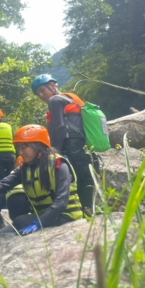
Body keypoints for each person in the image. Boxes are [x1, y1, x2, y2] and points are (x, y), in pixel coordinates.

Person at [0, 125, 83, 234]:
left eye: (24, 147)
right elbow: (3, 184)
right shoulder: (25, 168)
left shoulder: (59, 165)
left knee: (21, 221)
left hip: (66, 218)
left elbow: (61, 203)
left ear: (39, 146)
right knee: (1, 233)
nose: (20, 153)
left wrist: (38, 223)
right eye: (19, 148)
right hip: (44, 218)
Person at [31, 74, 95, 215]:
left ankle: (78, 215)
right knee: (85, 180)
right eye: (38, 93)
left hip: (70, 147)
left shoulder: (54, 100)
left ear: (52, 86)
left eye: (42, 90)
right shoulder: (71, 98)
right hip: (82, 147)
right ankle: (89, 211)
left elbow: (59, 127)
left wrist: (54, 152)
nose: (41, 95)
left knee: (72, 182)